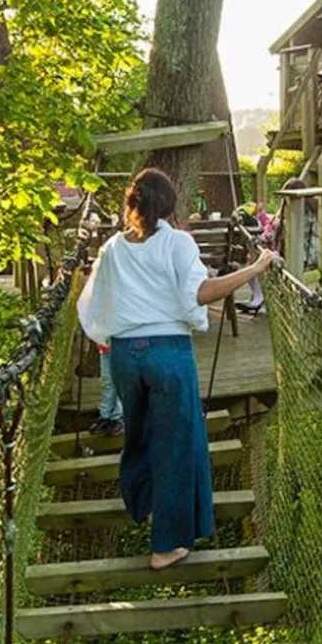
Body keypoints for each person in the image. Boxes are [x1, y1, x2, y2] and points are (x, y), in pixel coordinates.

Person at [77, 168, 275, 569]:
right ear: (170, 204)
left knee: (140, 435)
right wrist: (256, 268)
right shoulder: (179, 244)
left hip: (125, 357)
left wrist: (107, 335)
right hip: (168, 354)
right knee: (177, 444)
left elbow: (94, 297)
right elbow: (200, 294)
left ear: (131, 205)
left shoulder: (113, 247)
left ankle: (147, 506)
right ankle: (166, 545)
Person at [236, 177, 317, 315]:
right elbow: (273, 231)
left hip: (301, 258)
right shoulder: (290, 210)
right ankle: (259, 297)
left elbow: (279, 232)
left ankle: (260, 298)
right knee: (253, 257)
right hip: (287, 252)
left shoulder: (304, 214)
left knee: (257, 261)